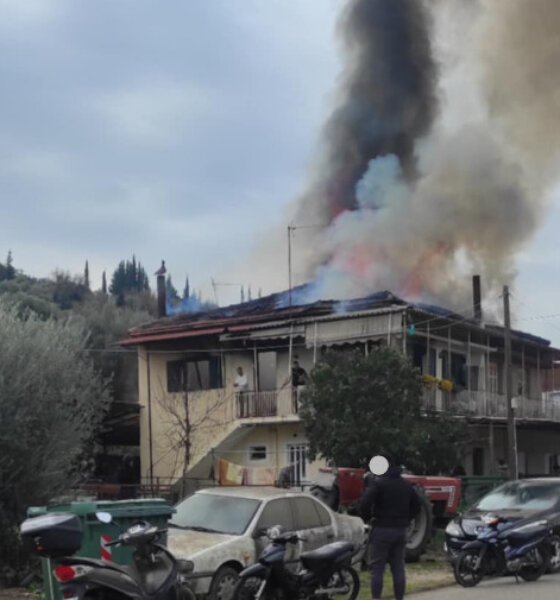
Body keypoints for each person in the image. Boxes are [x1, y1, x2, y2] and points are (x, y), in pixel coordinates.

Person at [361, 455, 420, 600]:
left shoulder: (378, 484)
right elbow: (417, 506)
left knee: (377, 569)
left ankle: (376, 598)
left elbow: (365, 503)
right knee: (398, 568)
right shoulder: (406, 485)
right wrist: (407, 518)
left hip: (381, 529)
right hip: (400, 531)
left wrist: (368, 517)